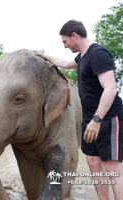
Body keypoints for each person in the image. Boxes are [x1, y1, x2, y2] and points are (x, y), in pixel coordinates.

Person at [37, 20, 123, 200]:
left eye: (65, 41)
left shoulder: (98, 54)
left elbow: (111, 89)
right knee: (92, 162)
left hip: (107, 120)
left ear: (74, 35)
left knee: (112, 168)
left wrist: (97, 120)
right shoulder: (82, 57)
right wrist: (44, 56)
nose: (65, 45)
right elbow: (67, 63)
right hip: (90, 120)